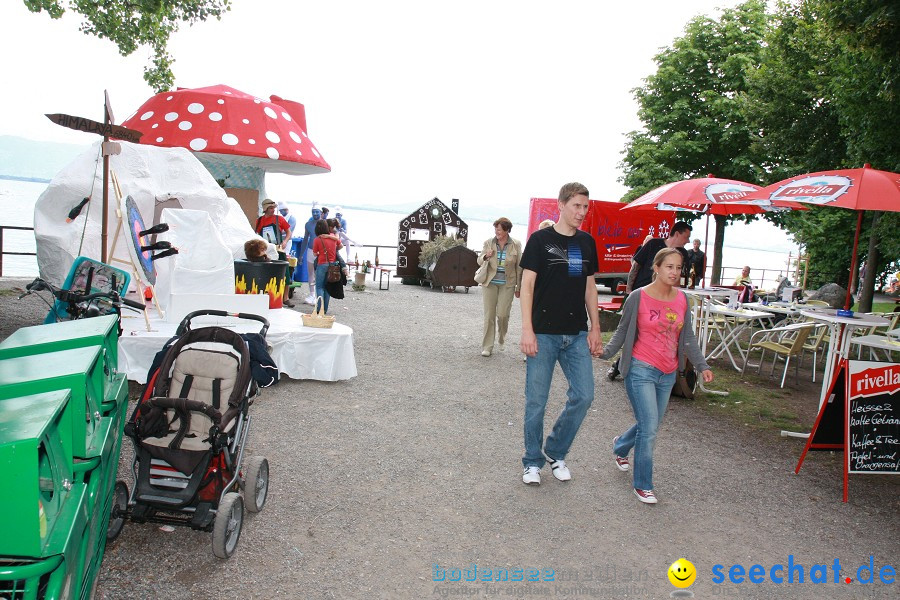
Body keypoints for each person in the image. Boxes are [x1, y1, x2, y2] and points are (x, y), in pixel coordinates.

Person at [601, 248, 713, 504]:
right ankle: (643, 484)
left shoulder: (682, 300)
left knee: (649, 424)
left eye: (678, 267)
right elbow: (622, 330)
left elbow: (688, 339)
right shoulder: (638, 297)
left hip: (667, 373)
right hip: (641, 369)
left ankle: (620, 445)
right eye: (669, 267)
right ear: (657, 268)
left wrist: (702, 365)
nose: (674, 272)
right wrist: (606, 353)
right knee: (650, 428)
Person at [519, 182, 601, 486]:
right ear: (561, 205)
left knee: (584, 395)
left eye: (585, 207)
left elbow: (589, 287)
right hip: (543, 333)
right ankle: (531, 462)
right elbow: (527, 287)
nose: (581, 212)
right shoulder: (540, 240)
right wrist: (527, 329)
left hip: (576, 334)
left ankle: (555, 450)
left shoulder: (586, 243)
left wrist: (595, 327)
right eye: (576, 206)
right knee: (536, 401)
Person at [607, 221, 692, 380]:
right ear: (677, 233)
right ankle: (620, 366)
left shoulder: (683, 254)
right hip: (642, 296)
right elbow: (636, 266)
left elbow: (681, 278)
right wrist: (629, 290)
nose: (687, 241)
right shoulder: (653, 244)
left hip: (663, 300)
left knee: (650, 336)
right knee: (634, 334)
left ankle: (648, 370)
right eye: (686, 237)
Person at [477, 217, 522, 357]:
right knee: (489, 315)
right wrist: (485, 256)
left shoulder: (516, 244)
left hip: (508, 284)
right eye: (495, 229)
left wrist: (518, 287)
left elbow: (519, 267)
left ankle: (501, 338)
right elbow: (479, 260)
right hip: (490, 283)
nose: (497, 232)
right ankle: (487, 346)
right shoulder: (489, 243)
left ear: (507, 230)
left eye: (499, 229)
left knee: (503, 314)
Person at [255, 199, 293, 307]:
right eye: (271, 208)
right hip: (266, 251)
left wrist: (285, 241)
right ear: (265, 209)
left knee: (285, 273)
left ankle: (285, 297)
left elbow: (289, 232)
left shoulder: (279, 219)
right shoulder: (259, 221)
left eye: (273, 208)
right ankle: (267, 296)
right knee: (266, 273)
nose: (273, 210)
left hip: (279, 250)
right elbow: (256, 234)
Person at [312, 219, 343, 314]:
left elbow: (314, 253)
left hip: (322, 264)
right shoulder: (333, 237)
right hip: (332, 265)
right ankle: (324, 310)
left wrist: (319, 253)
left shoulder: (317, 239)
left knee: (319, 287)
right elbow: (341, 246)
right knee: (327, 287)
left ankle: (319, 309)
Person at [300, 204, 323, 305]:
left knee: (320, 274)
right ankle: (312, 294)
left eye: (317, 212)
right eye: (313, 212)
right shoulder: (308, 224)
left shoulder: (325, 223)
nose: (315, 214)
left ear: (321, 213)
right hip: (310, 250)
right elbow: (305, 239)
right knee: (311, 273)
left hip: (321, 252)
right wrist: (301, 254)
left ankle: (320, 295)